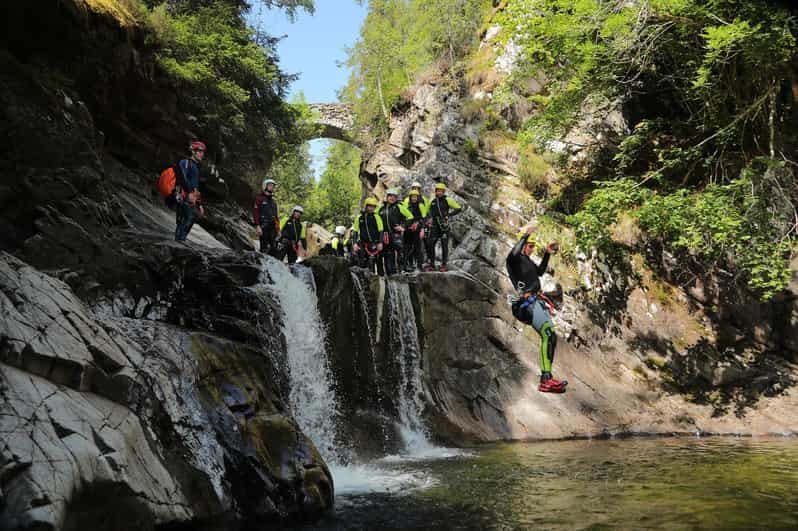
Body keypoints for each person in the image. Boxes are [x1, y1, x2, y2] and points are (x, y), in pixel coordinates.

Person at [506, 226, 565, 393]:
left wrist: (547, 253)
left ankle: (547, 378)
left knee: (551, 336)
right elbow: (514, 253)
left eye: (533, 247)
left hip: (536, 302)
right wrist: (526, 234)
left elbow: (539, 272)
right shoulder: (514, 260)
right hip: (528, 304)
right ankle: (546, 379)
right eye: (530, 246)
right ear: (523, 245)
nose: (532, 249)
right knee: (548, 333)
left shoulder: (527, 261)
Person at [424, 182, 462, 272]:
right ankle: (432, 264)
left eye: (441, 191)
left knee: (444, 245)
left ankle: (444, 265)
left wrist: (448, 215)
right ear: (435, 191)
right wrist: (429, 219)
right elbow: (426, 212)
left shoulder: (447, 200)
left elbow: (458, 208)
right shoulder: (432, 201)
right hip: (434, 225)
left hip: (444, 225)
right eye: (438, 191)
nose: (439, 192)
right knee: (430, 244)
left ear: (444, 192)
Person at [174, 140, 206, 241]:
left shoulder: (197, 167)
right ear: (193, 151)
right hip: (183, 196)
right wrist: (185, 194)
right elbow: (181, 179)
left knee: (189, 219)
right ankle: (179, 241)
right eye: (199, 151)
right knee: (184, 220)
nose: (202, 154)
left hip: (192, 199)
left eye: (203, 152)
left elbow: (196, 188)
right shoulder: (185, 163)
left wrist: (199, 204)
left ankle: (180, 241)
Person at [377, 188, 414, 275]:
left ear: (396, 198)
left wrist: (403, 226)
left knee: (400, 251)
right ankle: (391, 273)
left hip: (396, 234)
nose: (392, 198)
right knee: (388, 254)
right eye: (390, 196)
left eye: (394, 196)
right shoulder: (381, 209)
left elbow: (410, 217)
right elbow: (375, 219)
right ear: (387, 197)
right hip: (385, 235)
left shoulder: (399, 206)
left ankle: (402, 270)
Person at [352, 197, 386, 274]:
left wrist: (380, 242)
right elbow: (355, 231)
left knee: (379, 262)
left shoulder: (376, 217)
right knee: (364, 262)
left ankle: (381, 277)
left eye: (373, 207)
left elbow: (381, 230)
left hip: (376, 243)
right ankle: (366, 278)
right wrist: (355, 243)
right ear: (366, 206)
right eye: (370, 206)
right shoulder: (359, 218)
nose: (371, 208)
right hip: (364, 244)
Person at [403, 189, 428, 272]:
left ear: (418, 197)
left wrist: (422, 228)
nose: (414, 198)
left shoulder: (420, 205)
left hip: (417, 229)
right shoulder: (408, 206)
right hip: (408, 229)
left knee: (418, 248)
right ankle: (409, 265)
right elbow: (405, 217)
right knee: (407, 247)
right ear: (410, 197)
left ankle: (419, 265)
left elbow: (424, 218)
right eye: (412, 197)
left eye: (415, 197)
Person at [254, 179, 279, 255]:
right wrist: (257, 226)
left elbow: (276, 217)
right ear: (265, 186)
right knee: (264, 248)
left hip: (273, 228)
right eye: (270, 185)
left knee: (274, 249)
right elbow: (256, 213)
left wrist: (278, 230)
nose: (272, 187)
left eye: (273, 186)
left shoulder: (274, 202)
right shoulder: (259, 198)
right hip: (263, 227)